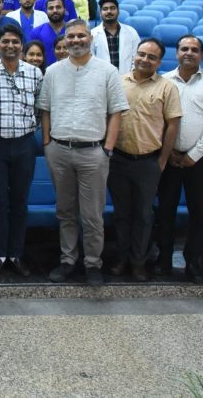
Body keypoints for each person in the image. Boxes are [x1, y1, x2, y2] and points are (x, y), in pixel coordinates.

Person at [37, 19, 129, 285]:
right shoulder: (53, 71)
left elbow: (116, 112)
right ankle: (68, 260)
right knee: (65, 211)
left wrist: (108, 148)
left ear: (90, 38)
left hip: (93, 152)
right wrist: (47, 143)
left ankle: (92, 263)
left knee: (92, 214)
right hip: (59, 150)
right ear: (64, 40)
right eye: (71, 36)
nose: (75, 40)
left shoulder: (107, 71)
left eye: (80, 36)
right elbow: (45, 109)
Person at [153, 35, 203, 284]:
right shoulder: (164, 81)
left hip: (201, 160)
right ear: (177, 53)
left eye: (194, 50)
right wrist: (169, 151)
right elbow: (156, 120)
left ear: (201, 55)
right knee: (165, 210)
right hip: (169, 158)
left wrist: (194, 155)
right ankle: (163, 259)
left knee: (198, 213)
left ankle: (193, 261)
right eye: (184, 48)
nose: (189, 53)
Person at [107, 38, 181, 281]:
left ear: (159, 62)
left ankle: (139, 262)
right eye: (141, 54)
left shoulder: (167, 87)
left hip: (149, 162)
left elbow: (172, 126)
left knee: (143, 215)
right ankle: (121, 258)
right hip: (118, 160)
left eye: (151, 57)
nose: (145, 59)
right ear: (134, 56)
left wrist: (162, 160)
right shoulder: (118, 82)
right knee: (122, 213)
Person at [0, 24, 42, 278]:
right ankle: (0, 254)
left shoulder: (35, 73)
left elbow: (39, 110)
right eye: (5, 41)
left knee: (20, 201)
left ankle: (17, 254)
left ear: (21, 45)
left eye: (15, 41)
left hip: (24, 144)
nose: (10, 45)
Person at [91, 0, 139, 74]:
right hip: (102, 78)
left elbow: (137, 58)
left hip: (127, 78)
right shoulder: (92, 34)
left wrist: (130, 77)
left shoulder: (131, 32)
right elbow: (91, 61)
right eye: (105, 9)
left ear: (118, 11)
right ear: (100, 13)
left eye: (112, 8)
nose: (109, 11)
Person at [28, 0, 68, 66]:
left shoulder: (73, 32)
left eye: (58, 7)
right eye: (51, 8)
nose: (55, 10)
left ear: (65, 9)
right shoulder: (36, 32)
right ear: (46, 11)